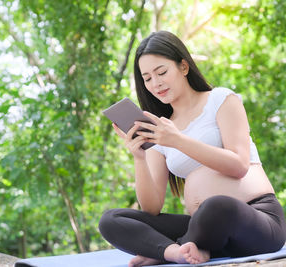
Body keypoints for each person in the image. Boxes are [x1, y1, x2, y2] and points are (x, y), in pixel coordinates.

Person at [98, 30, 286, 267]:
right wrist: (139, 158)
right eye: (147, 78)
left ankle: (167, 249)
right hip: (204, 228)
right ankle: (177, 252)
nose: (155, 84)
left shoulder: (221, 99)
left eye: (162, 72)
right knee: (111, 219)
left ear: (184, 67)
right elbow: (152, 207)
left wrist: (177, 140)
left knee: (217, 205)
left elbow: (239, 166)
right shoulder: (161, 128)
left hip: (256, 220)